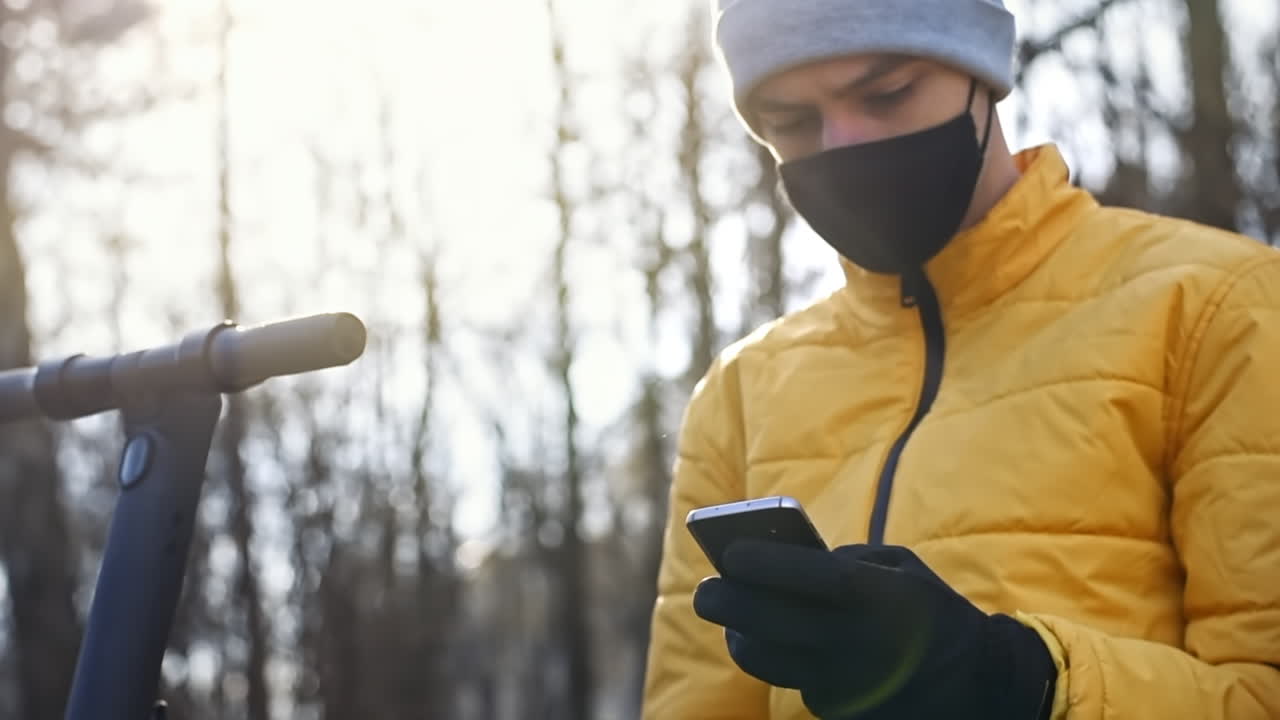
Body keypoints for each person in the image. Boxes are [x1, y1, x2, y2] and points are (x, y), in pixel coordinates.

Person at [640, 0, 1280, 718]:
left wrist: (1021, 682)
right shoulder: (741, 391)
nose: (843, 141)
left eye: (887, 93)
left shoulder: (1221, 308)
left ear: (982, 73)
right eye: (791, 121)